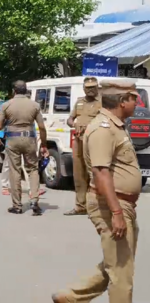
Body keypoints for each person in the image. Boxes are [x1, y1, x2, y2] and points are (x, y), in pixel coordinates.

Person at [53, 80, 141, 303]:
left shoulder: (114, 126)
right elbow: (101, 172)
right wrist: (117, 213)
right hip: (112, 205)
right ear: (122, 101)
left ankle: (70, 297)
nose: (137, 102)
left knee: (119, 261)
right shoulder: (103, 129)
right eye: (133, 98)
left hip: (122, 204)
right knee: (121, 273)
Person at [0, 81, 48, 215]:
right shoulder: (34, 105)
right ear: (26, 90)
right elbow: (42, 127)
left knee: (15, 171)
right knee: (33, 169)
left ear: (14, 90)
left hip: (13, 140)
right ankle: (34, 200)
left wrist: (2, 133)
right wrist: (44, 145)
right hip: (30, 139)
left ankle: (17, 205)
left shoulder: (7, 105)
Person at [64, 77, 101, 216]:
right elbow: (70, 119)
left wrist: (90, 126)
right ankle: (80, 206)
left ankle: (96, 207)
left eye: (93, 87)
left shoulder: (103, 102)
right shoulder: (79, 101)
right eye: (88, 87)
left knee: (95, 173)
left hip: (95, 141)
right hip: (79, 140)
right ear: (84, 88)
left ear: (97, 88)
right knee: (79, 174)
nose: (91, 90)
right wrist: (73, 124)